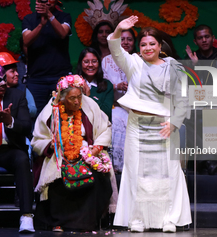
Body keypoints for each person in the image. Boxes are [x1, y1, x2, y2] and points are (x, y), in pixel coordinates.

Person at [108, 16, 191, 233]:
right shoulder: (133, 63)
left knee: (169, 173)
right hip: (137, 125)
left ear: (160, 45)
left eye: (152, 43)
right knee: (136, 172)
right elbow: (115, 49)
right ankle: (137, 219)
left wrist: (174, 123)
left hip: (165, 126)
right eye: (143, 44)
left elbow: (183, 99)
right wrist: (118, 29)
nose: (147, 48)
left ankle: (169, 219)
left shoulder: (174, 66)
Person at [32, 74, 113, 232]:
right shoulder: (51, 110)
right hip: (59, 154)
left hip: (88, 151)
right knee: (56, 178)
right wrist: (52, 145)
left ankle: (87, 223)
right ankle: (59, 222)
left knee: (98, 178)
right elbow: (37, 139)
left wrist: (96, 148)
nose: (77, 101)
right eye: (72, 98)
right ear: (62, 98)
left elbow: (105, 128)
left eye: (79, 96)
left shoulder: (89, 105)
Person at [0, 62, 34, 233]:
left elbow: (26, 127)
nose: (3, 83)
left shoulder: (17, 96)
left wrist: (10, 122)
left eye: (4, 79)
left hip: (8, 149)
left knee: (22, 159)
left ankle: (26, 216)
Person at [22, 0, 72, 116]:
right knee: (36, 116)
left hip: (60, 77)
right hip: (36, 79)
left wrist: (49, 15)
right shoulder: (29, 19)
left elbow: (62, 33)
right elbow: (26, 41)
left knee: (62, 116)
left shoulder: (64, 17)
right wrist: (41, 25)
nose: (47, 0)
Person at [102, 28, 136, 173]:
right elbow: (102, 85)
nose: (126, 42)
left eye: (129, 39)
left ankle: (134, 167)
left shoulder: (138, 59)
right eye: (122, 39)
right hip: (116, 106)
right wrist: (116, 86)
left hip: (136, 107)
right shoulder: (106, 60)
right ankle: (117, 166)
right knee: (116, 120)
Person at [77, 47, 114, 121]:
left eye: (94, 61)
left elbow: (106, 113)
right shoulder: (73, 83)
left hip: (100, 128)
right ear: (81, 64)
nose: (90, 65)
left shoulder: (107, 85)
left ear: (99, 64)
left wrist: (89, 96)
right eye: (86, 62)